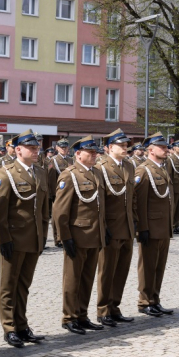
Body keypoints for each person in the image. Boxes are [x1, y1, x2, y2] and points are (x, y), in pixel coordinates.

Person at [0, 130, 49, 348]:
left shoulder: (40, 173)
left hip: (33, 238)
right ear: (18, 150)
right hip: (14, 238)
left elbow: (44, 209)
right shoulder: (6, 173)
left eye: (37, 148)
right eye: (31, 148)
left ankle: (22, 325)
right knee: (9, 285)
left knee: (24, 285)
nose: (36, 151)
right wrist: (3, 238)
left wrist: (43, 236)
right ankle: (9, 328)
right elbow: (0, 210)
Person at [53, 136, 106, 335]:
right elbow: (60, 211)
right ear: (78, 154)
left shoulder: (97, 174)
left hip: (94, 234)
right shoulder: (70, 175)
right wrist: (64, 237)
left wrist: (103, 229)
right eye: (90, 153)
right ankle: (69, 317)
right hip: (77, 235)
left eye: (95, 153)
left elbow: (100, 206)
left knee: (87, 278)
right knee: (72, 279)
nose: (94, 156)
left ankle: (82, 315)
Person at [94, 129, 137, 327]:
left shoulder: (129, 166)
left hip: (126, 226)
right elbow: (99, 201)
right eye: (121, 145)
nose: (125, 148)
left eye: (126, 145)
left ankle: (114, 307)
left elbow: (131, 198)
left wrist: (134, 222)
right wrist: (103, 226)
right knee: (107, 270)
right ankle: (103, 310)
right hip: (111, 226)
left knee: (122, 269)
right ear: (110, 147)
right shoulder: (101, 167)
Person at [135, 132, 174, 317]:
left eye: (166, 147)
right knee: (148, 266)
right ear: (151, 150)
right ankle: (144, 301)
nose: (166, 150)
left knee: (159, 266)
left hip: (163, 227)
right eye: (162, 147)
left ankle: (155, 299)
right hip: (150, 227)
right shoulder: (143, 171)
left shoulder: (162, 169)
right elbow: (139, 202)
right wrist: (142, 227)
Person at [50, 139, 74, 248]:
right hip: (58, 192)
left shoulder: (71, 160)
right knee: (57, 215)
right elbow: (50, 178)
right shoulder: (53, 160)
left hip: (71, 191)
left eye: (65, 147)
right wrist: (53, 194)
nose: (64, 149)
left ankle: (67, 235)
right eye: (61, 147)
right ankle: (57, 238)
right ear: (57, 148)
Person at [167, 140, 179, 234]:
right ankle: (171, 226)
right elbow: (169, 175)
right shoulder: (170, 159)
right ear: (174, 148)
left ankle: (176, 225)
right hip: (174, 187)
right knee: (173, 208)